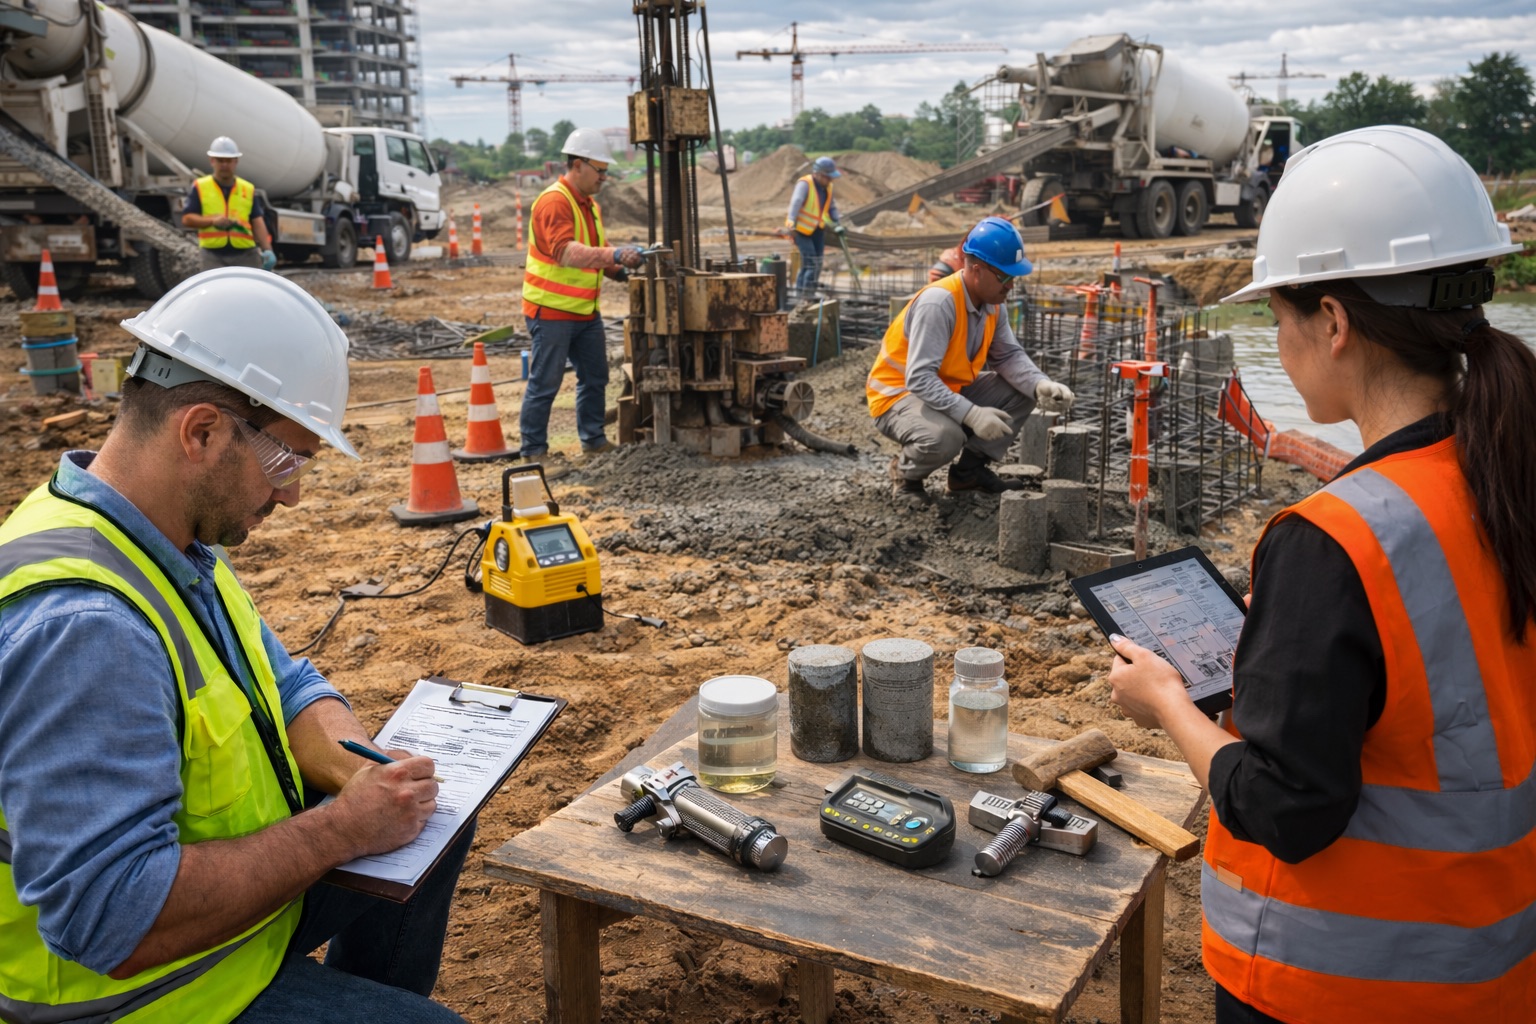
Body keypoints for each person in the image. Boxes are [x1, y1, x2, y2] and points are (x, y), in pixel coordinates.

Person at [1105, 125, 1536, 1022]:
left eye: (1279, 317)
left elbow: (1283, 807)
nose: (1281, 339)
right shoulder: (1506, 467)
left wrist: (1168, 702)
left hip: (1340, 983)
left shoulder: (1330, 540)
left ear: (1333, 322)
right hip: (1494, 962)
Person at [0, 268, 469, 1023]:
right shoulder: (84, 629)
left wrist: (368, 775)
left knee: (432, 819)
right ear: (203, 431)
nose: (290, 495)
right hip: (147, 994)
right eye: (287, 462)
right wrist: (342, 828)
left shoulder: (164, 542)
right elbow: (110, 919)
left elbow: (282, 684)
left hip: (233, 923)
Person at [867, 216, 1075, 500]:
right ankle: (907, 477)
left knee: (1023, 391)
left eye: (1014, 277)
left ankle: (968, 475)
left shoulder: (992, 304)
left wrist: (1040, 384)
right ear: (976, 270)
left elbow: (1008, 355)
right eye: (1005, 276)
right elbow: (919, 378)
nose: (1011, 285)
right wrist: (972, 414)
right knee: (946, 437)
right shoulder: (939, 304)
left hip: (945, 388)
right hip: (897, 395)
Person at [520, 126, 643, 459]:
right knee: (545, 383)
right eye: (599, 170)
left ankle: (593, 441)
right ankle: (533, 452)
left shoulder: (588, 204)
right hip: (552, 312)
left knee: (595, 377)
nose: (604, 178)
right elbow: (567, 252)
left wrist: (624, 270)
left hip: (585, 313)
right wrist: (614, 255)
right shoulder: (553, 202)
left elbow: (597, 249)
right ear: (577, 165)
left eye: (606, 171)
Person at [181, 136, 277, 273]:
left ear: (236, 161)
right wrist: (213, 221)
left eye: (228, 161)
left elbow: (257, 221)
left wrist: (268, 250)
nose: (224, 165)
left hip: (246, 254)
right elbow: (187, 219)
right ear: (212, 161)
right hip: (212, 255)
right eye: (220, 161)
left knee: (248, 292)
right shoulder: (201, 187)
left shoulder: (247, 189)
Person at [777, 155, 846, 299]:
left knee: (816, 264)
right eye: (828, 177)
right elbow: (796, 202)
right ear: (819, 174)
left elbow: (831, 207)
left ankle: (805, 294)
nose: (830, 180)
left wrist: (837, 222)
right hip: (800, 231)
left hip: (817, 230)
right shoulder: (805, 184)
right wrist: (791, 224)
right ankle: (805, 298)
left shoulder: (828, 187)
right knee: (811, 264)